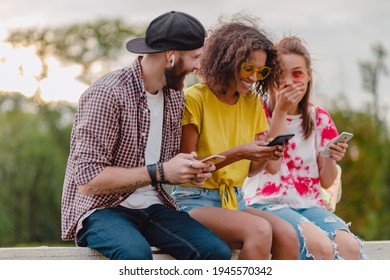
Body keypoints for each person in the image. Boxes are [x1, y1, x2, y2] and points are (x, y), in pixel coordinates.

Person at [61, 11, 232, 260]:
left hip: (153, 207)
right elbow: (89, 181)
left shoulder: (174, 97)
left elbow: (167, 163)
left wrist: (189, 170)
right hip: (101, 209)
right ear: (171, 56)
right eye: (195, 57)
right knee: (136, 255)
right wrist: (161, 172)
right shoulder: (107, 94)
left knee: (216, 252)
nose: (198, 66)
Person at [170, 18, 300, 260]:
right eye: (247, 68)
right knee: (260, 230)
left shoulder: (251, 102)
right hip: (194, 201)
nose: (253, 78)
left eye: (261, 71)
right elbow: (188, 170)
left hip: (235, 199)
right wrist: (239, 152)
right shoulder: (195, 98)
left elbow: (251, 170)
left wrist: (265, 154)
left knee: (287, 234)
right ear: (227, 61)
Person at [243, 36, 366, 260]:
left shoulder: (319, 117)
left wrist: (330, 156)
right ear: (269, 77)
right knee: (320, 246)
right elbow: (271, 167)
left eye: (297, 73)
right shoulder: (257, 114)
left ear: (308, 75)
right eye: (280, 74)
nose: (288, 81)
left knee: (350, 247)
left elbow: (327, 181)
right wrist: (280, 112)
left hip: (309, 204)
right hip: (267, 202)